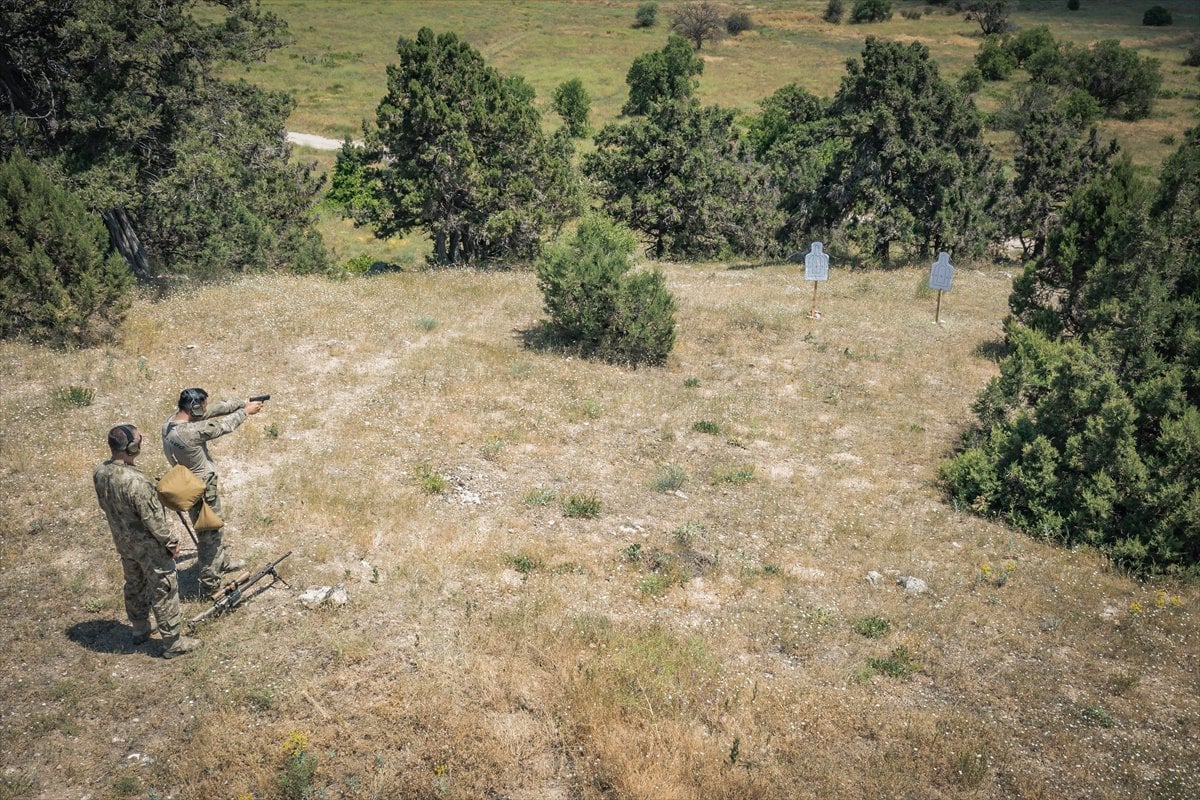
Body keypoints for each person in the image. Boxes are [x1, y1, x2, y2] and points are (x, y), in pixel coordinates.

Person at [93, 424, 201, 658]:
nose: (141, 443)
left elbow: (104, 505)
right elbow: (154, 520)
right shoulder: (137, 482)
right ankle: (172, 642)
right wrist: (171, 542)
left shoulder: (100, 471)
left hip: (123, 542)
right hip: (149, 547)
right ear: (131, 447)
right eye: (139, 441)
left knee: (134, 583)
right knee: (164, 587)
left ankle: (140, 628)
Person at [162, 388, 263, 597]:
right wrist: (246, 412)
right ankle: (210, 584)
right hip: (202, 491)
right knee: (209, 536)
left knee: (214, 530)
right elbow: (222, 426)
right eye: (203, 406)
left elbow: (214, 411)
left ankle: (222, 562)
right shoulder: (191, 432)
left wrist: (241, 402)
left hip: (186, 484)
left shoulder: (171, 424)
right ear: (195, 407)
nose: (206, 409)